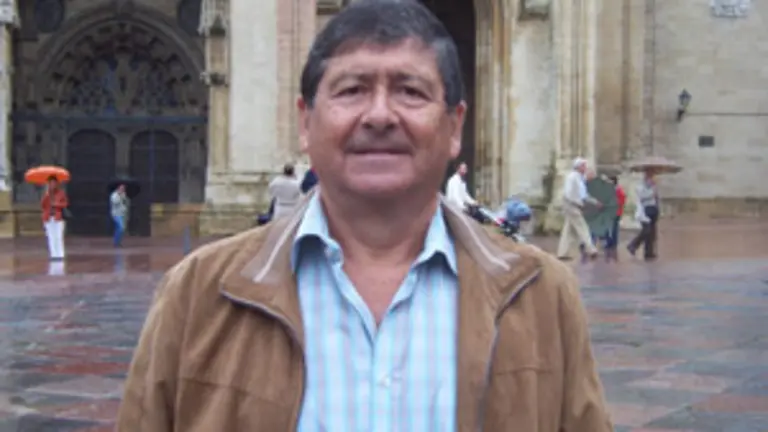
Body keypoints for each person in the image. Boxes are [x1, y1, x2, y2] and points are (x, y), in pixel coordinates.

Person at [117, 1, 612, 430]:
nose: (379, 116)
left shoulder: (543, 297)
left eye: (410, 92)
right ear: (306, 122)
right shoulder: (198, 294)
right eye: (352, 90)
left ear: (454, 125)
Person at [557, 158, 601, 261]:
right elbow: (569, 194)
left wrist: (594, 202)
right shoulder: (572, 177)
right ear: (578, 166)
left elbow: (584, 195)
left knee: (568, 230)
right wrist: (578, 203)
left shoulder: (579, 178)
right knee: (582, 227)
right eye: (583, 166)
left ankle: (562, 252)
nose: (585, 168)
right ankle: (591, 249)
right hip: (571, 205)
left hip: (574, 204)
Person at [627, 168, 659, 260]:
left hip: (653, 209)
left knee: (652, 233)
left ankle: (649, 252)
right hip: (645, 210)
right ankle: (633, 244)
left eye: (652, 176)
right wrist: (652, 194)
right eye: (650, 176)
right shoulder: (640, 186)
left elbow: (656, 198)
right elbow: (642, 197)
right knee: (646, 230)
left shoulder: (654, 186)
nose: (651, 178)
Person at [40, 176, 68, 261]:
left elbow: (65, 203)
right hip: (48, 217)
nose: (52, 185)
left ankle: (60, 254)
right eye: (50, 183)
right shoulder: (46, 194)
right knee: (50, 236)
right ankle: (53, 254)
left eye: (54, 183)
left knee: (58, 236)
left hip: (58, 217)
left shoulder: (61, 193)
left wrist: (56, 204)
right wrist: (46, 195)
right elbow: (42, 205)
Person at [605, 175, 626, 260]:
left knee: (614, 228)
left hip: (615, 212)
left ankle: (613, 243)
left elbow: (622, 200)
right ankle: (609, 242)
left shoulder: (618, 190)